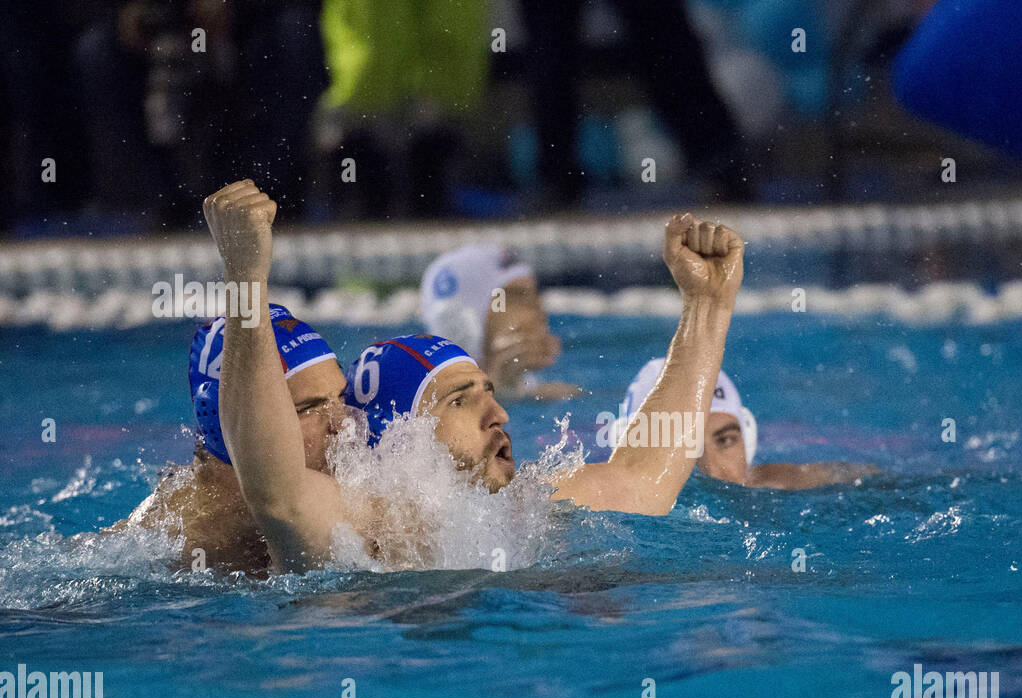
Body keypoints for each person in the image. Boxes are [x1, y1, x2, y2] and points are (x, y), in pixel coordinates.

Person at [203, 179, 743, 572]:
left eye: (488, 391)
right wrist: (246, 277)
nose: (499, 412)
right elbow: (276, 495)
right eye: (460, 400)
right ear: (400, 433)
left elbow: (641, 480)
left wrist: (707, 305)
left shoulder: (519, 508)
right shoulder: (358, 532)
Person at [115, 307, 350, 572]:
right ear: (229, 424)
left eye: (341, 397)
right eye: (309, 408)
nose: (344, 425)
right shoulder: (182, 545)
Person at [615, 358, 879, 489]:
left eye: (726, 440)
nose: (713, 473)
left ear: (747, 439)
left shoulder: (781, 486)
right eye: (681, 444)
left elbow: (873, 477)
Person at [419, 244, 580, 400]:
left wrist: (508, 390)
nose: (540, 311)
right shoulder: (418, 412)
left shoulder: (546, 396)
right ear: (466, 321)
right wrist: (498, 391)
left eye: (534, 295)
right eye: (516, 297)